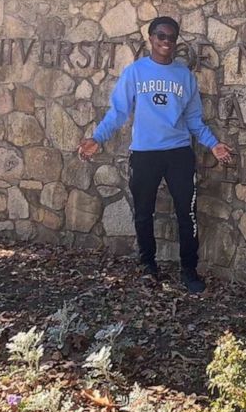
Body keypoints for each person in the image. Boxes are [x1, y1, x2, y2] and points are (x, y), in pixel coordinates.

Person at [77, 16, 233, 293]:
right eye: (161, 36)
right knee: (143, 214)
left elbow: (195, 120)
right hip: (145, 154)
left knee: (188, 214)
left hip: (179, 155)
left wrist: (213, 144)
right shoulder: (135, 73)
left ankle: (189, 270)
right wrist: (97, 138)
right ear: (151, 38)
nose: (166, 42)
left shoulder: (185, 76)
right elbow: (119, 112)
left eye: (171, 38)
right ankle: (148, 266)